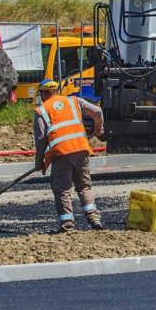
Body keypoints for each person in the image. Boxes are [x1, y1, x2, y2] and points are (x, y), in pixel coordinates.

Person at [33, 79, 104, 233]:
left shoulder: (41, 110)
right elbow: (97, 112)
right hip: (82, 150)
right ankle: (94, 218)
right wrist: (99, 127)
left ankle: (67, 225)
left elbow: (40, 139)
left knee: (63, 189)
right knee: (84, 186)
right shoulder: (74, 101)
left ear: (44, 93)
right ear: (56, 90)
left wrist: (39, 161)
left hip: (62, 154)